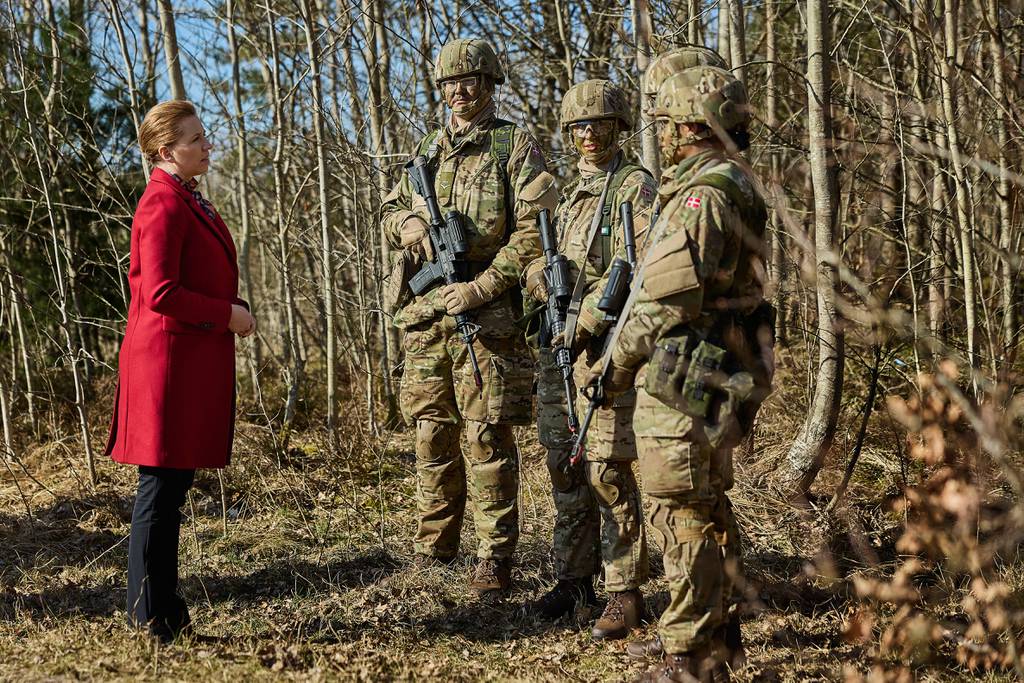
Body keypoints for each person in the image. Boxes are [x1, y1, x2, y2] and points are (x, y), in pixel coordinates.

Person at [586, 66, 770, 681]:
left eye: (666, 123)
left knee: (680, 512)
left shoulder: (704, 195)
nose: (661, 134)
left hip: (684, 375)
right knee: (707, 505)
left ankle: (688, 655)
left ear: (690, 124)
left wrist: (613, 364)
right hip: (713, 372)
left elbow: (663, 301)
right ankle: (718, 642)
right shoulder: (727, 183)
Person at [380, 38, 557, 597]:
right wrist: (408, 224)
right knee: (431, 434)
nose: (460, 92)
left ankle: (494, 556)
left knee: (487, 436)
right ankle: (436, 547)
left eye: (471, 82)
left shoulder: (514, 145)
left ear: (489, 83)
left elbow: (535, 229)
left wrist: (483, 286)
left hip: (487, 319)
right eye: (451, 84)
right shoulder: (427, 149)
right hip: (428, 316)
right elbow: (389, 207)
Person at [105, 100, 255, 643]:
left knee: (171, 490)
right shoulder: (161, 204)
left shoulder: (185, 199)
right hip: (165, 368)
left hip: (185, 362)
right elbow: (160, 292)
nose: (206, 144)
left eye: (204, 135)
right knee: (160, 491)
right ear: (166, 151)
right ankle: (150, 620)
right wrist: (227, 314)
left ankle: (165, 611)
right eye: (195, 139)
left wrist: (228, 304)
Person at [522, 79, 656, 640]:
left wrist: (592, 320)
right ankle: (575, 578)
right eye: (579, 127)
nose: (589, 135)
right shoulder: (564, 193)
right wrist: (539, 280)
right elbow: (530, 252)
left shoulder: (635, 188)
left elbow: (642, 264)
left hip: (605, 350)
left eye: (599, 124)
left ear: (618, 127)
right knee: (564, 463)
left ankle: (624, 590)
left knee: (607, 467)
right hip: (559, 349)